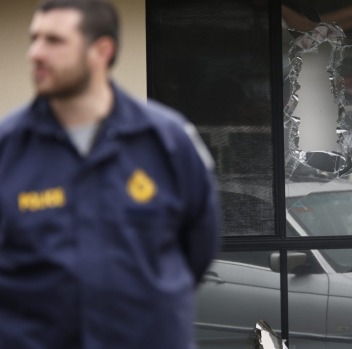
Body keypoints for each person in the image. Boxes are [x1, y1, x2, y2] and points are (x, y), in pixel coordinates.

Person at [0, 0, 220, 348]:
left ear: (101, 51)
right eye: (34, 39)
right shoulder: (8, 148)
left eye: (54, 41)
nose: (36, 53)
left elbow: (199, 248)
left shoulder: (168, 141)